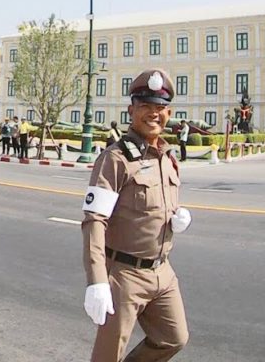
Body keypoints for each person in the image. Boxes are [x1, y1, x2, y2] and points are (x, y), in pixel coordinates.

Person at [81, 68, 192, 362]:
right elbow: (94, 221)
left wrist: (177, 218)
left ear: (169, 112)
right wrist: (97, 280)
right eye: (146, 107)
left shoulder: (167, 157)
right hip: (124, 275)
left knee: (174, 337)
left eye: (160, 108)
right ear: (132, 110)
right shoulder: (115, 159)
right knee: (108, 355)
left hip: (163, 272)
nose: (154, 114)